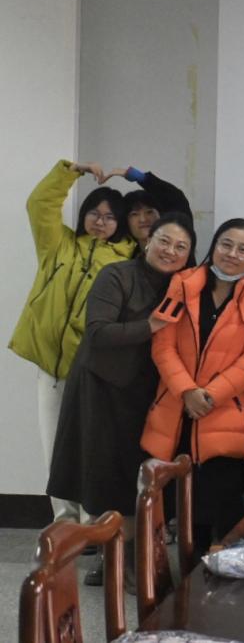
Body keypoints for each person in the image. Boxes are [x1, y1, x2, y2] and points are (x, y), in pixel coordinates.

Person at [46, 214, 195, 585]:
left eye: (181, 247)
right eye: (164, 241)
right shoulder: (117, 275)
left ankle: (126, 559)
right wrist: (149, 326)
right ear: (148, 240)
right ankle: (117, 563)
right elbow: (97, 332)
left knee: (139, 475)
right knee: (106, 476)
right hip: (102, 387)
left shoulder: (184, 285)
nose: (170, 251)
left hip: (149, 391)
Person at [10, 159, 136, 521]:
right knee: (55, 449)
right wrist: (72, 170)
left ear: (120, 222)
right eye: (94, 213)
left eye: (110, 216)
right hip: (52, 368)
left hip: (95, 370)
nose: (100, 221)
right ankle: (64, 522)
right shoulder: (59, 245)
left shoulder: (128, 259)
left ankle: (91, 521)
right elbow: (39, 204)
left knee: (92, 449)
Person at [141, 218, 244, 555]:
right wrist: (187, 391)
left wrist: (210, 395)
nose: (232, 254)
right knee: (183, 512)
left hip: (222, 412)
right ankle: (188, 576)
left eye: (243, 249)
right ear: (213, 246)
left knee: (223, 508)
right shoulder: (182, 284)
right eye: (226, 244)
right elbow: (162, 345)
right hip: (176, 409)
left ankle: (225, 579)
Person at [105, 166, 194, 250]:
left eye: (149, 212)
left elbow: (177, 200)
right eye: (134, 214)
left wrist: (140, 177)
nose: (143, 219)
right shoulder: (123, 255)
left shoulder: (177, 246)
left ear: (161, 215)